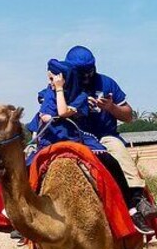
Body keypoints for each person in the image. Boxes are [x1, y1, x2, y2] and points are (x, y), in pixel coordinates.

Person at [65, 45, 157, 225]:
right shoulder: (63, 87)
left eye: (88, 71)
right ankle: (29, 212)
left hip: (104, 137)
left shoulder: (106, 83)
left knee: (119, 151)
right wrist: (76, 110)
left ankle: (137, 200)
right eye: (81, 72)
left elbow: (129, 116)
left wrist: (111, 107)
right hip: (75, 138)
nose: (85, 76)